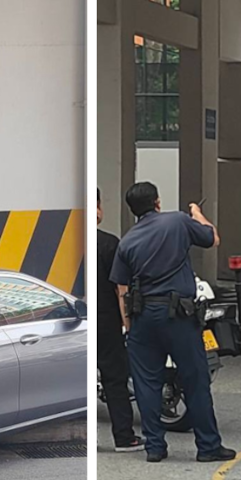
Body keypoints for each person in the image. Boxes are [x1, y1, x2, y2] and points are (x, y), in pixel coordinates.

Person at [110, 182, 236, 464]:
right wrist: (197, 214)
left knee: (146, 384)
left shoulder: (127, 241)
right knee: (195, 380)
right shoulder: (179, 221)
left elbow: (122, 291)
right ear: (157, 202)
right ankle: (208, 447)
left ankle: (154, 447)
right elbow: (212, 239)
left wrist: (130, 328)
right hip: (179, 316)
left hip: (143, 319)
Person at [97, 188, 146, 452]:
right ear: (97, 208)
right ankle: (124, 437)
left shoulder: (60, 243)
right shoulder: (108, 243)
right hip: (104, 321)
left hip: (72, 321)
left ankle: (86, 438)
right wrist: (128, 325)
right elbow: (121, 290)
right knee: (114, 379)